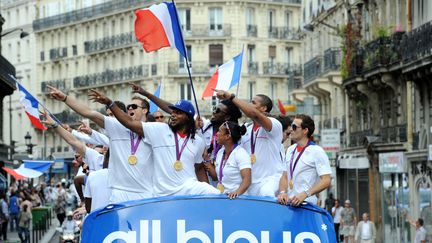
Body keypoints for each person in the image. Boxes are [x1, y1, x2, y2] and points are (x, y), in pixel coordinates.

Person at [90, 89, 220, 196]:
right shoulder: (160, 129)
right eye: (172, 112)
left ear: (188, 117)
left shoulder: (198, 141)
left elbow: (199, 168)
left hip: (188, 188)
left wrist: (206, 198)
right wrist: (110, 103)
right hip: (162, 193)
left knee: (216, 195)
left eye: (178, 113)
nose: (173, 115)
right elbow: (129, 123)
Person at [47, 85, 154, 203]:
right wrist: (65, 98)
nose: (130, 109)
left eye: (133, 107)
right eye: (128, 107)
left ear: (145, 110)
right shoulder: (117, 126)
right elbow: (89, 113)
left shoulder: (155, 130)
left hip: (146, 194)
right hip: (120, 194)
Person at [215, 90, 283, 197]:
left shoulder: (274, 124)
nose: (249, 105)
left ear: (263, 108)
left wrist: (231, 97)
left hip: (270, 180)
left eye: (253, 103)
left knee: (266, 194)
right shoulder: (246, 128)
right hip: (250, 183)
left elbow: (254, 114)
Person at [277, 114, 332, 206]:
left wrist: (305, 194)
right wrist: (282, 192)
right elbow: (285, 176)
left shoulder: (317, 151)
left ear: (305, 130)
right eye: (291, 126)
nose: (291, 130)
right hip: (290, 204)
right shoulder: (290, 149)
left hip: (307, 204)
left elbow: (326, 180)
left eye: (294, 127)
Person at [205, 121, 251, 198]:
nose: (216, 134)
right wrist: (207, 160)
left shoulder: (241, 153)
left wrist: (236, 193)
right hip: (223, 197)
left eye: (219, 131)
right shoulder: (220, 152)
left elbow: (247, 180)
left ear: (228, 136)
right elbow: (216, 177)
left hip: (238, 199)